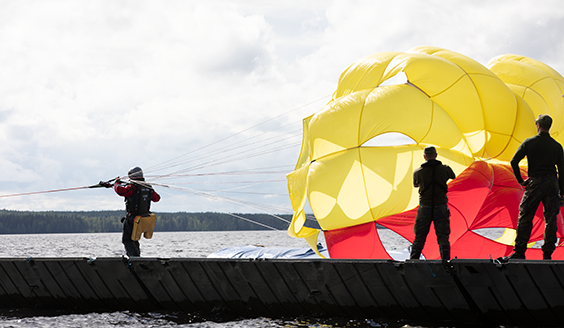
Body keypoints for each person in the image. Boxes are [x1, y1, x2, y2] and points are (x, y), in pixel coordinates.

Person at [506, 114, 564, 261]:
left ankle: (519, 251)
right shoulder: (557, 146)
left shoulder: (529, 143)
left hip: (535, 181)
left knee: (525, 215)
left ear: (538, 125)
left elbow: (514, 161)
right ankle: (547, 254)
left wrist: (521, 181)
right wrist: (562, 193)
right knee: (551, 218)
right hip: (552, 183)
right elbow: (562, 171)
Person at [410, 146, 456, 261]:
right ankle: (446, 262)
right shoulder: (445, 169)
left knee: (419, 237)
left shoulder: (418, 172)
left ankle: (413, 260)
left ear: (424, 157)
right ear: (436, 155)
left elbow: (416, 185)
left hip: (424, 208)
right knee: (443, 237)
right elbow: (453, 176)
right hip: (440, 207)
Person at [114, 166, 161, 257]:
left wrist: (116, 183)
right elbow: (157, 198)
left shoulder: (133, 187)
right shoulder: (148, 187)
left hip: (132, 219)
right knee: (134, 239)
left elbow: (121, 191)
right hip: (142, 219)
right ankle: (137, 257)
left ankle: (134, 258)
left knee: (127, 240)